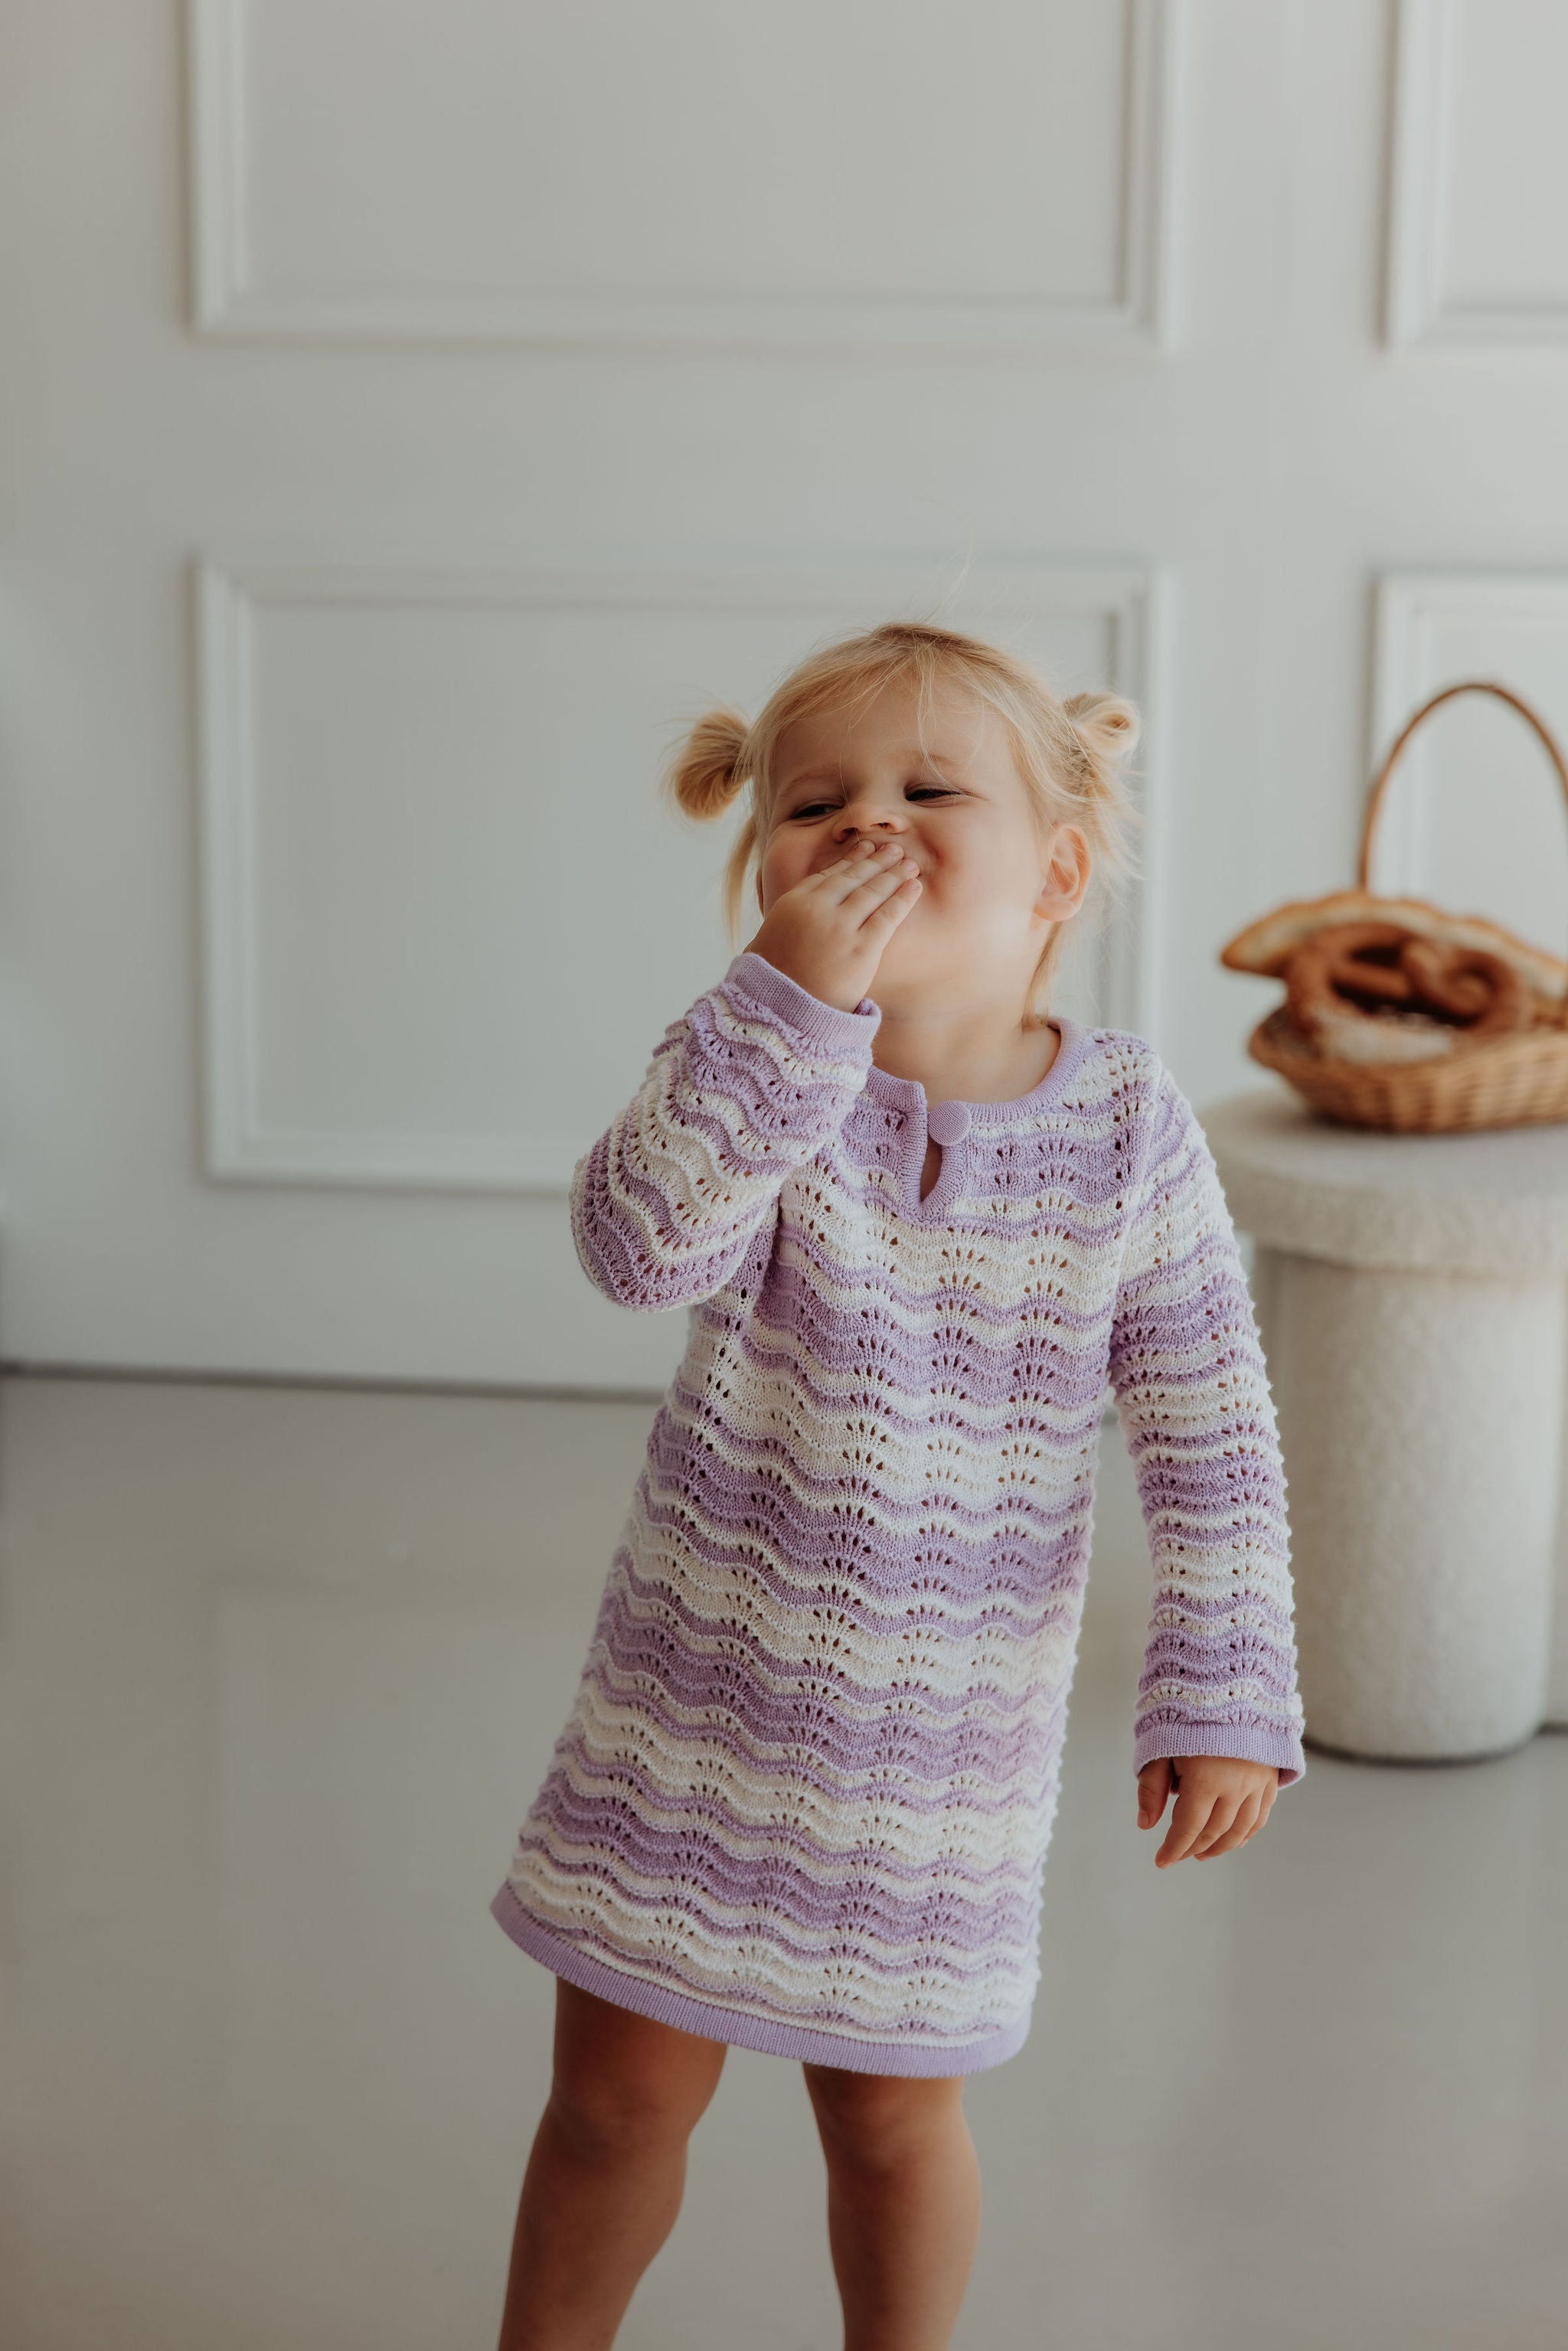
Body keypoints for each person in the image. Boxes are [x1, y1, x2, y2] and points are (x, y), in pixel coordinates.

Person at [488, 619, 1306, 2351]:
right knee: (614, 2107)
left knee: (890, 2123)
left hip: (940, 1763)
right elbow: (636, 1250)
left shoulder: (1129, 1129)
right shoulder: (752, 1068)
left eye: (931, 792)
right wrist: (781, 1016)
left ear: (1056, 872)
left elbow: (1212, 1431)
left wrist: (1225, 1685)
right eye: (815, 807)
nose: (869, 825)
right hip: (687, 1726)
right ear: (764, 872)